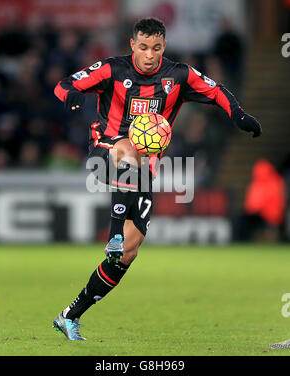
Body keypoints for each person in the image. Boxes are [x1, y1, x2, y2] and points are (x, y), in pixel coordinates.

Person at [53, 17, 262, 340]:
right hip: (106, 150)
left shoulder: (178, 76)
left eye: (157, 48)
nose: (150, 55)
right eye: (143, 47)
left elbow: (217, 90)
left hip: (144, 170)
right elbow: (64, 84)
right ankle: (114, 233)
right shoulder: (112, 69)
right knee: (128, 148)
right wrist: (71, 95)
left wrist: (238, 115)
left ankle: (69, 315)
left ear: (163, 47)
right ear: (132, 46)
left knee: (129, 253)